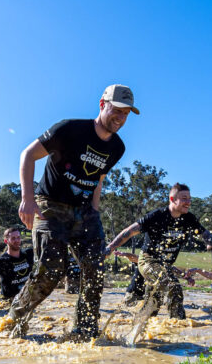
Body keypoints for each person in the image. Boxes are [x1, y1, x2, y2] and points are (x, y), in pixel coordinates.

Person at [7, 84, 136, 341]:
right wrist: (27, 199)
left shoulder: (117, 148)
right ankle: (14, 321)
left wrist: (95, 212)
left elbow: (99, 179)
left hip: (85, 211)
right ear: (102, 104)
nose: (120, 118)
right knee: (51, 271)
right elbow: (28, 155)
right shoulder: (68, 129)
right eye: (117, 110)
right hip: (51, 206)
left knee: (95, 270)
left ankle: (84, 332)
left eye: (126, 113)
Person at [105, 183, 212, 341]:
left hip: (164, 265)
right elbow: (129, 231)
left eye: (189, 199)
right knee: (171, 285)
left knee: (159, 299)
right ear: (172, 199)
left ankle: (144, 331)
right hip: (148, 260)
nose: (188, 202)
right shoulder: (157, 215)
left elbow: (206, 235)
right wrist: (110, 247)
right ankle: (176, 327)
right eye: (184, 198)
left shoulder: (189, 219)